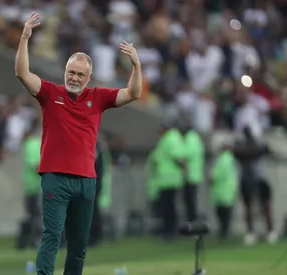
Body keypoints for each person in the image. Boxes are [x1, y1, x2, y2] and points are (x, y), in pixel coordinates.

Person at [14, 12, 142, 275]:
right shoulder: (50, 93)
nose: (74, 78)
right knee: (51, 236)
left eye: (80, 74)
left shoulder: (98, 98)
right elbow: (22, 73)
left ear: (89, 76)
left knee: (79, 244)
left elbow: (133, 93)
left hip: (86, 181)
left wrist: (136, 66)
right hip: (55, 178)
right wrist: (25, 38)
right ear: (65, 71)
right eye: (71, 72)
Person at [233, 125, 276, 245]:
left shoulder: (256, 146)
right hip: (248, 178)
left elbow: (270, 152)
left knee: (263, 205)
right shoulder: (248, 147)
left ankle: (269, 231)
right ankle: (252, 232)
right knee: (249, 206)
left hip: (258, 178)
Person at [151, 124, 184, 240]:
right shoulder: (167, 138)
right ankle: (168, 231)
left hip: (170, 179)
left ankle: (170, 232)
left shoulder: (171, 138)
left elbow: (178, 157)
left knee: (169, 207)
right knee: (167, 207)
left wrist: (185, 172)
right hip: (166, 179)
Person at [209, 143, 239, 240]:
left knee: (222, 212)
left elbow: (218, 174)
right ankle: (225, 230)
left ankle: (224, 231)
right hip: (228, 189)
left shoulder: (224, 159)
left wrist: (211, 178)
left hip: (222, 189)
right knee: (226, 212)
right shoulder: (231, 159)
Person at [181, 119, 204, 222]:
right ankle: (192, 221)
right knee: (191, 201)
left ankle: (192, 222)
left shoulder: (190, 139)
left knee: (189, 202)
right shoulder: (196, 139)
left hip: (190, 175)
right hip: (196, 174)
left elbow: (185, 156)